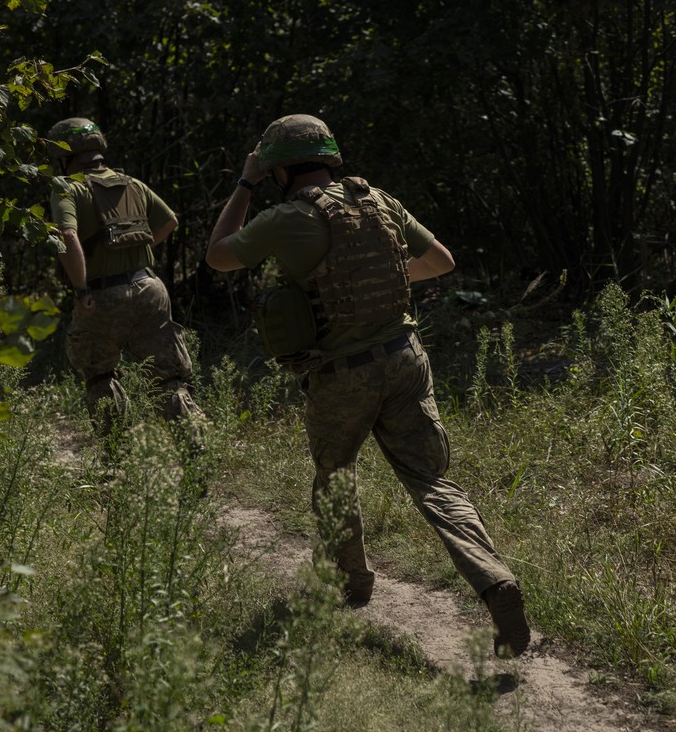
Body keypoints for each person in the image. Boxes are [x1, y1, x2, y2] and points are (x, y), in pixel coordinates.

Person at [204, 114, 530, 657]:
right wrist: (384, 278)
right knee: (430, 480)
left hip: (342, 373)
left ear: (280, 169)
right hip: (406, 358)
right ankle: (495, 580)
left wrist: (245, 181)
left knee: (335, 474)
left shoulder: (286, 216)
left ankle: (350, 583)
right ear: (329, 157)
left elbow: (217, 256)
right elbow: (440, 261)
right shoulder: (378, 200)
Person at [46, 117, 203, 434]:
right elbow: (169, 221)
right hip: (149, 287)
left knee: (100, 377)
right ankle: (196, 453)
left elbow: (67, 236)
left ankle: (115, 459)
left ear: (63, 156)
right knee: (169, 378)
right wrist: (132, 258)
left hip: (103, 296)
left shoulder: (67, 189)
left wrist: (81, 290)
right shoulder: (132, 184)